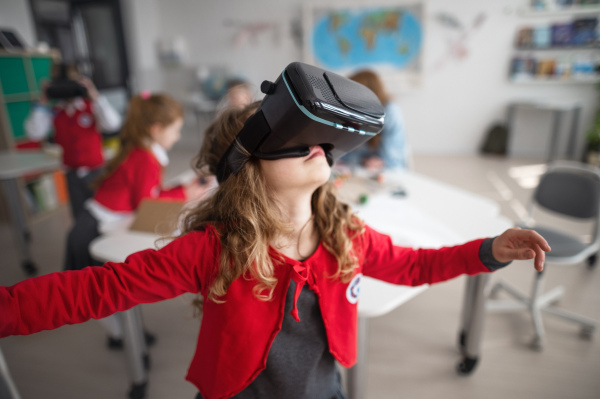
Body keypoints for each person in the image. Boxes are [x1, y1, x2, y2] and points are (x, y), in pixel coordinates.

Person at [1, 102, 550, 398]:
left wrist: (488, 250)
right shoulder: (212, 250)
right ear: (246, 168)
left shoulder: (345, 235)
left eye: (317, 132)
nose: (316, 140)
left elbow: (414, 265)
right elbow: (96, 290)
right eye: (289, 135)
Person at [65, 92, 209, 349]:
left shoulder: (143, 151)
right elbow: (147, 205)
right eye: (175, 130)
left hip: (103, 222)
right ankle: (121, 336)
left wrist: (182, 192)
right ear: (156, 130)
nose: (177, 137)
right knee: (96, 292)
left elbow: (149, 195)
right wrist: (184, 193)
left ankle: (125, 333)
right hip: (92, 229)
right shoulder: (146, 158)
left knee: (104, 289)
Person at [25, 63, 122, 219]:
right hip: (71, 173)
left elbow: (113, 124)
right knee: (79, 215)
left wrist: (95, 96)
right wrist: (43, 100)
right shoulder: (55, 111)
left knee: (103, 212)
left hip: (96, 170)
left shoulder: (91, 106)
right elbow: (34, 133)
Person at [341, 70, 408, 170]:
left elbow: (392, 161)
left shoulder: (390, 111)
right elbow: (342, 156)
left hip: (390, 174)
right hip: (361, 172)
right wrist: (362, 160)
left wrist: (362, 160)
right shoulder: (355, 114)